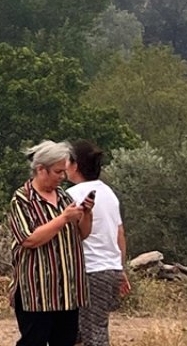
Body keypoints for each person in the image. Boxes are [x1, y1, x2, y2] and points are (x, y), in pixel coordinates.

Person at [6, 140, 94, 346]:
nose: (63, 177)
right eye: (57, 172)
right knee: (33, 341)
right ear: (40, 170)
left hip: (67, 291)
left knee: (65, 341)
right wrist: (62, 218)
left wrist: (86, 214)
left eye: (64, 172)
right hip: (38, 292)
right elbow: (28, 239)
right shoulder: (22, 200)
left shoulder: (64, 197)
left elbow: (81, 235)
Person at [67, 140, 130, 346]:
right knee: (76, 332)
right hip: (110, 269)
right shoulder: (109, 193)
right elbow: (119, 233)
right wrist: (120, 269)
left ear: (75, 165)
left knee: (94, 334)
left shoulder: (73, 195)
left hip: (90, 270)